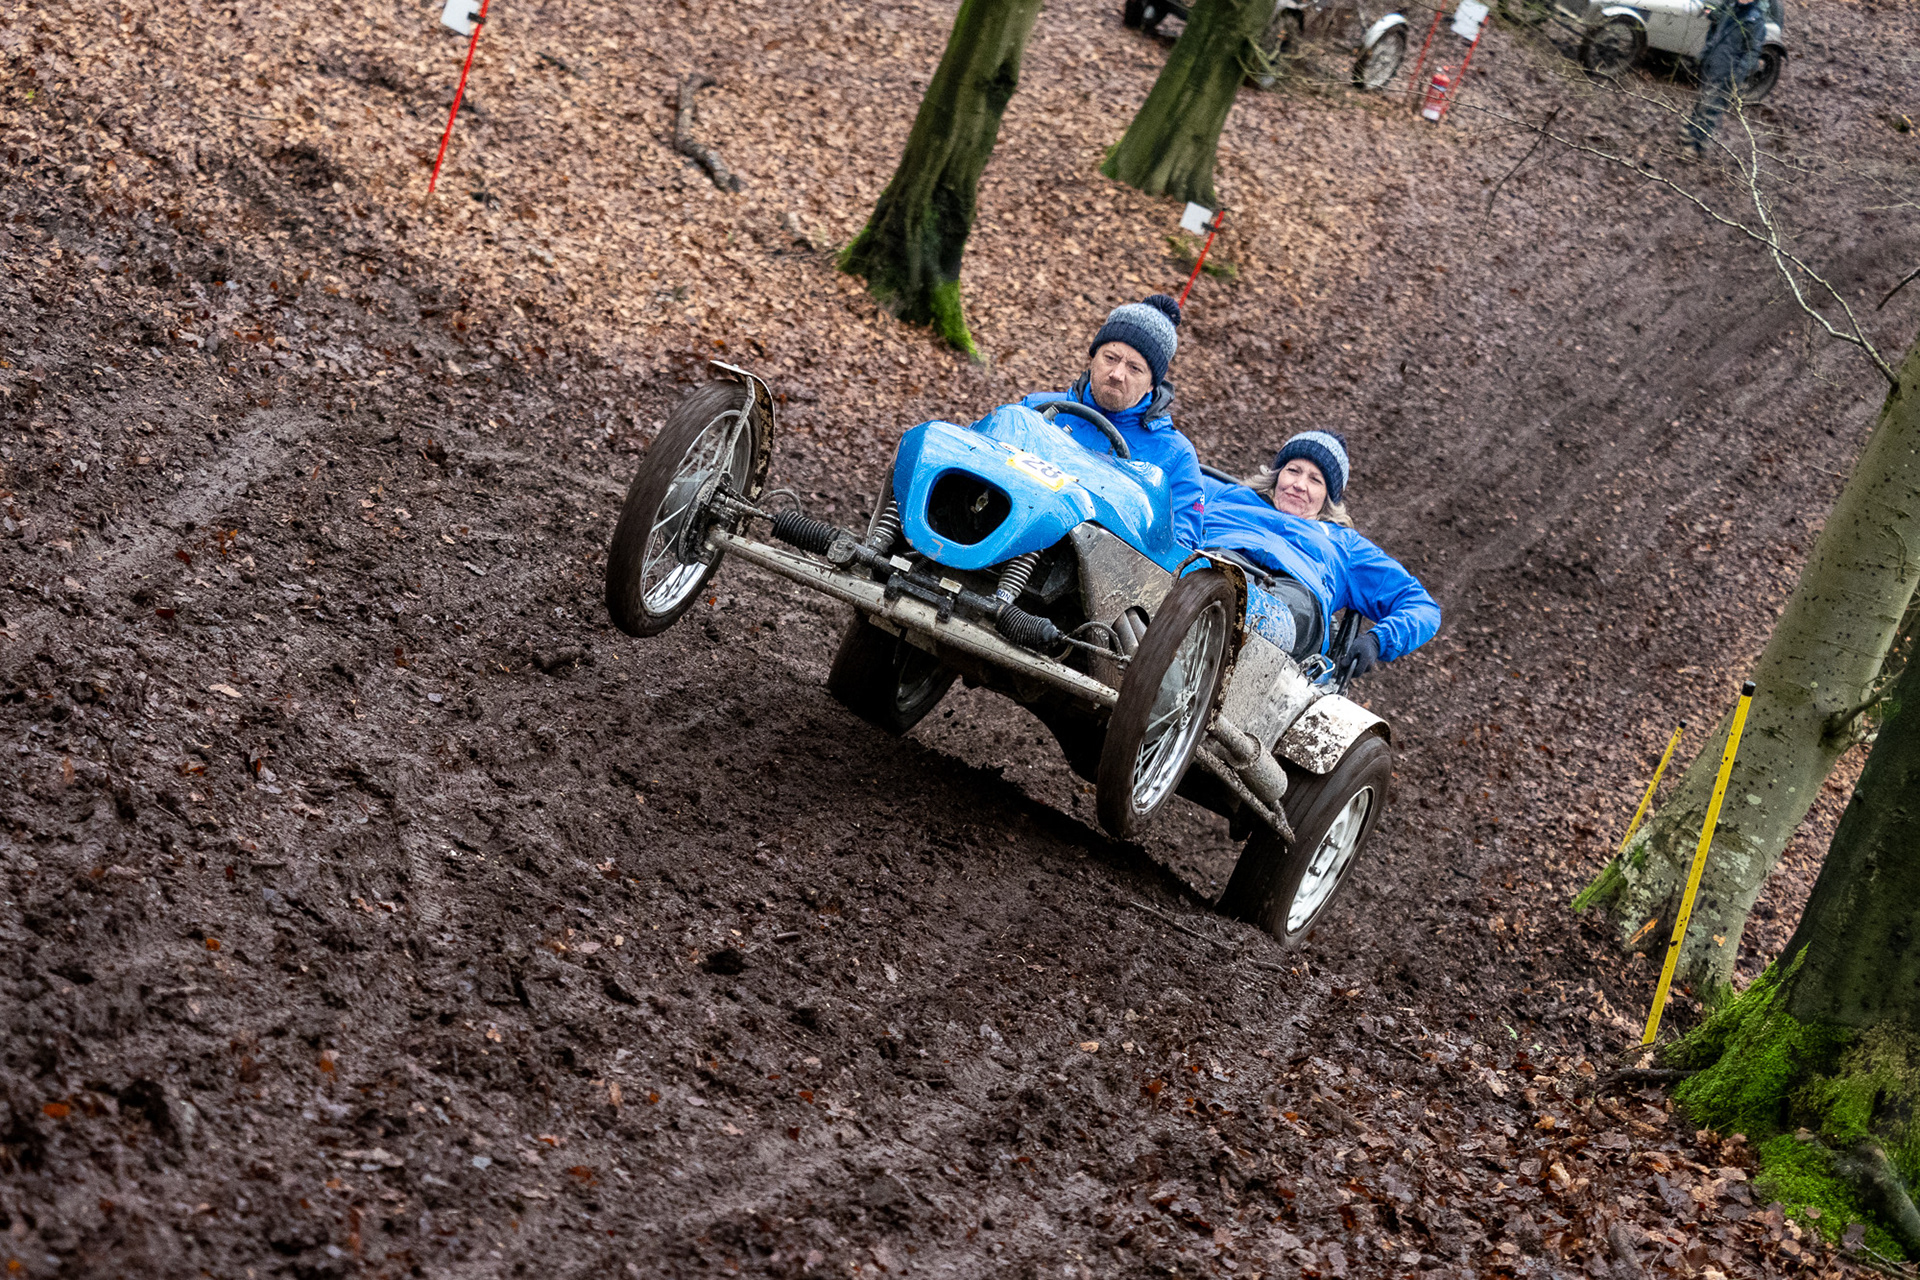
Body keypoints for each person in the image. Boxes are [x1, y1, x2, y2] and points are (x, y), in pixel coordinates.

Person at [1200, 431, 1440, 682]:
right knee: (1211, 575)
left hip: (1293, 596)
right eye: (1293, 470)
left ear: (1327, 497)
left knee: (1263, 609)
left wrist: (1378, 640)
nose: (1300, 484)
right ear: (1277, 474)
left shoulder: (1345, 545)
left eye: (1315, 480)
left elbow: (1421, 606)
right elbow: (1164, 469)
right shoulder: (1227, 495)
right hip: (1218, 561)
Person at [1018, 295, 1208, 549]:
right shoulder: (1036, 408)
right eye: (1110, 358)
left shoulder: (1176, 456)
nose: (1117, 374)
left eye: (1134, 368)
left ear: (1152, 383)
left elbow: (1180, 548)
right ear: (1093, 356)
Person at [1681, 0, 1768, 157]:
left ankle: (1697, 145)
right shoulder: (1730, 7)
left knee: (1711, 109)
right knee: (1702, 101)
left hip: (1727, 72)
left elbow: (1752, 55)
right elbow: (1716, 33)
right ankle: (1689, 135)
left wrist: (1736, 77)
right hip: (1712, 64)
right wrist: (1702, 56)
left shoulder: (1755, 21)